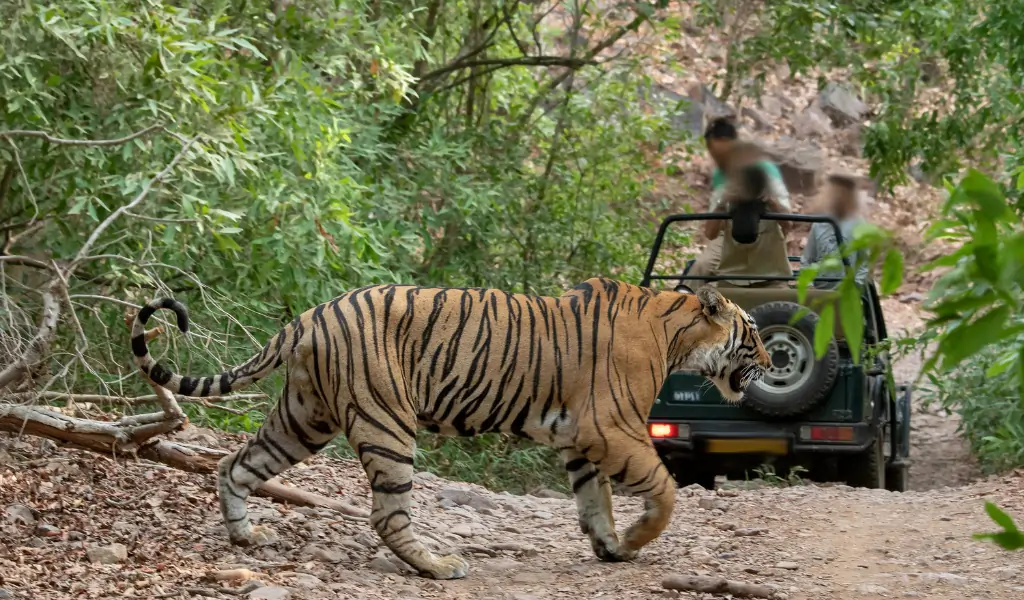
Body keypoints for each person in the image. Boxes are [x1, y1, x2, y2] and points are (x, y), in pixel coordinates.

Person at [679, 119, 793, 290]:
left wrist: (771, 202)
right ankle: (683, 298)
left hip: (766, 243)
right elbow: (710, 232)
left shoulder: (765, 172)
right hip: (729, 238)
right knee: (701, 265)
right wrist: (723, 202)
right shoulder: (722, 176)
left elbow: (787, 225)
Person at [800, 174, 870, 289]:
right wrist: (809, 285)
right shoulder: (820, 223)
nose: (839, 196)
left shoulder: (859, 224)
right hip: (818, 292)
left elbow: (864, 263)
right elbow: (807, 259)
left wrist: (855, 286)